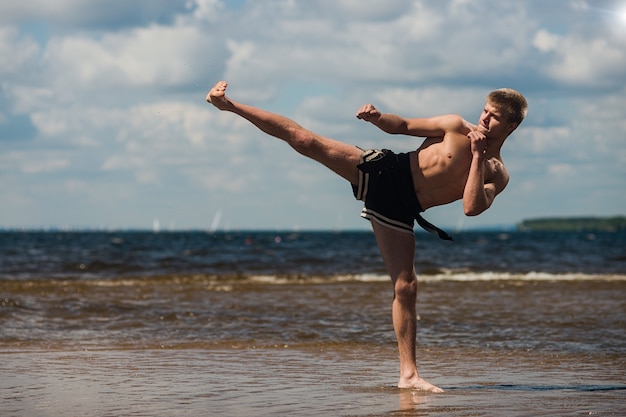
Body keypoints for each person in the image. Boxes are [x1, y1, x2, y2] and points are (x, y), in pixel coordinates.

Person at [206, 81, 527, 392]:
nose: (484, 118)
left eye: (494, 116)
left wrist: (478, 156)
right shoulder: (455, 127)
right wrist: (377, 118)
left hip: (400, 209)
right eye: (485, 111)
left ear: (510, 126)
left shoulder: (496, 173)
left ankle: (409, 375)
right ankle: (228, 105)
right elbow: (400, 125)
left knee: (406, 286)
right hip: (387, 172)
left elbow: (471, 208)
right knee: (306, 141)